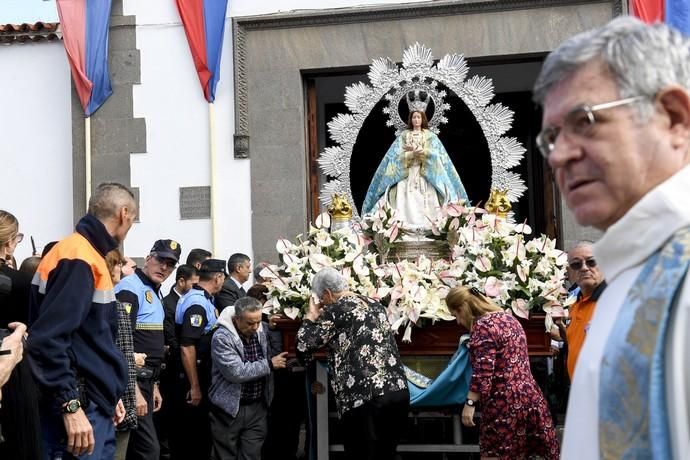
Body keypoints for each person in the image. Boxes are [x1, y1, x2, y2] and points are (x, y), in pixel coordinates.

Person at [533, 16, 690, 459]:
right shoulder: (625, 275)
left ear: (673, 118)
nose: (560, 155)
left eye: (584, 121)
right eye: (551, 137)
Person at [28, 182, 134, 459]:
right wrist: (70, 405)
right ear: (124, 214)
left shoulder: (85, 254)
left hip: (92, 401)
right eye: (133, 219)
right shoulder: (79, 258)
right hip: (80, 407)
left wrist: (109, 392)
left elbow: (88, 340)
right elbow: (49, 340)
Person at [297, 267, 409, 460]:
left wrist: (310, 317)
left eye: (321, 299)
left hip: (364, 398)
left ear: (327, 293)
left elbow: (303, 344)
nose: (322, 304)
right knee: (387, 454)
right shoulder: (375, 304)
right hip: (397, 392)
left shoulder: (335, 310)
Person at [445, 286, 559, 459]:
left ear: (462, 309)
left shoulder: (483, 326)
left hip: (503, 404)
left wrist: (469, 403)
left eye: (456, 315)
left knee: (495, 455)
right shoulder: (509, 319)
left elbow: (483, 372)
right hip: (530, 398)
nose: (458, 322)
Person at [115, 239, 181, 460]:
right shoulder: (130, 288)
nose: (164, 268)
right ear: (149, 257)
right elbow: (121, 340)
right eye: (161, 260)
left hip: (147, 381)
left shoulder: (153, 290)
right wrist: (133, 389)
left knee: (137, 448)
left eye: (170, 265)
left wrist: (154, 385)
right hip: (132, 380)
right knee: (148, 450)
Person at [208, 297, 288, 460]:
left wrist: (272, 328)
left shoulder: (261, 329)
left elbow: (276, 351)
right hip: (229, 409)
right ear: (237, 319)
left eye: (258, 321)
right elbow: (236, 372)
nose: (256, 327)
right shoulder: (222, 337)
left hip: (257, 407)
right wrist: (269, 365)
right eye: (250, 323)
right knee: (225, 455)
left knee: (252, 455)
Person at [361, 107, 468, 227]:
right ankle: (399, 227)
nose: (416, 120)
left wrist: (423, 152)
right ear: (410, 119)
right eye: (414, 117)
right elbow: (394, 158)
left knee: (431, 202)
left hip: (426, 175)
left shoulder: (430, 137)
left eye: (419, 117)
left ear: (423, 119)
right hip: (407, 174)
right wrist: (410, 154)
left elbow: (438, 156)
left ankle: (433, 227)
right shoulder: (404, 136)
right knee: (401, 200)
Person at [172, 258, 226, 459]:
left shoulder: (202, 298)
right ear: (218, 277)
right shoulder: (197, 303)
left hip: (198, 374)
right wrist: (194, 386)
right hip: (193, 377)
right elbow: (187, 346)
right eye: (223, 278)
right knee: (194, 439)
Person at [159, 263, 197, 459]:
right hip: (175, 368)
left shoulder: (192, 301)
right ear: (181, 281)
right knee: (175, 418)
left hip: (191, 366)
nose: (196, 288)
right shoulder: (168, 304)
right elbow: (170, 336)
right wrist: (188, 348)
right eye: (193, 283)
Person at [105, 249, 138, 460]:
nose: (120, 269)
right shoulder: (109, 306)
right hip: (114, 400)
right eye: (117, 264)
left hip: (118, 397)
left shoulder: (113, 303)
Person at [562, 241, 605, 380]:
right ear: (569, 272)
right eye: (576, 264)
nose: (584, 268)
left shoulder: (614, 301)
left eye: (591, 262)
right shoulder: (574, 306)